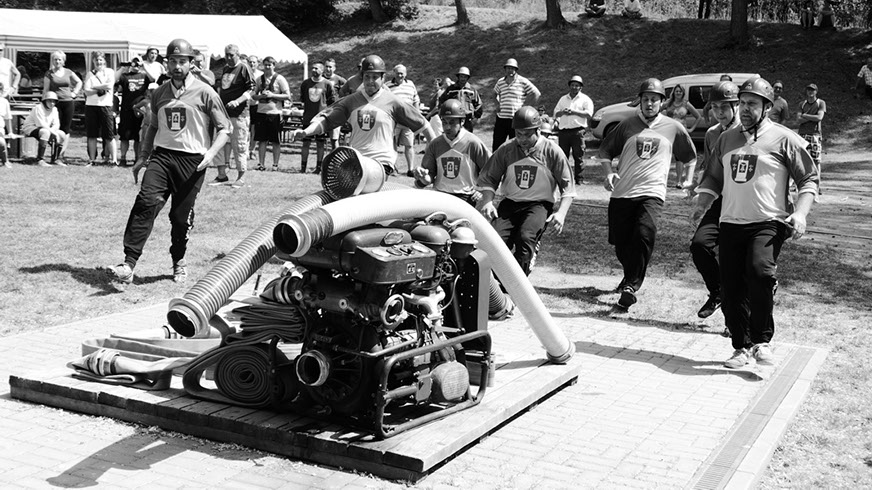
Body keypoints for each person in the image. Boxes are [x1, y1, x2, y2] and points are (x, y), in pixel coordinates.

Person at [690, 77, 818, 369]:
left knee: (759, 273)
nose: (745, 109)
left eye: (752, 103)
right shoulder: (726, 138)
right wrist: (701, 204)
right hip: (730, 222)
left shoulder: (785, 139)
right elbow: (713, 178)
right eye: (742, 103)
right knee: (731, 287)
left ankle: (762, 341)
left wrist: (800, 213)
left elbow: (809, 179)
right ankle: (741, 347)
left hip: (768, 222)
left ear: (767, 107)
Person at [108, 39, 230, 287]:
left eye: (182, 61)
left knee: (180, 217)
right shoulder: (159, 93)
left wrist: (210, 154)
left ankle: (179, 260)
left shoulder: (206, 92)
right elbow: (153, 126)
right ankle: (128, 264)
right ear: (166, 63)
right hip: (162, 157)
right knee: (145, 202)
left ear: (191, 63)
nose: (177, 66)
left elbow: (225, 129)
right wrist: (143, 157)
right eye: (172, 61)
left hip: (193, 161)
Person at [598, 78, 696, 310]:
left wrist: (688, 179)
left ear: (662, 102)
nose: (650, 103)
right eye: (646, 99)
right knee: (621, 243)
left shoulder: (673, 127)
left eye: (654, 99)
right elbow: (605, 151)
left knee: (644, 234)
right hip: (622, 192)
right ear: (640, 102)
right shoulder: (627, 125)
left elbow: (690, 157)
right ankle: (629, 275)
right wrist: (609, 173)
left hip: (652, 192)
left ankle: (631, 286)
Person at [292, 55, 435, 175]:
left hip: (382, 163)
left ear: (383, 78)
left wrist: (436, 152)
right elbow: (326, 120)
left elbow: (423, 124)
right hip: (357, 160)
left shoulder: (393, 102)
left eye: (375, 77)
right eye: (367, 77)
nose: (370, 81)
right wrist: (306, 132)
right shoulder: (351, 101)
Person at [477, 106, 576, 275]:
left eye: (527, 134)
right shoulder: (506, 149)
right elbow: (489, 178)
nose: (522, 139)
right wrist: (487, 201)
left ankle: (518, 284)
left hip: (538, 205)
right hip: (510, 203)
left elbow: (568, 188)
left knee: (525, 238)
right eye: (519, 134)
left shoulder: (552, 151)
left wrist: (561, 214)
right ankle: (497, 284)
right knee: (495, 241)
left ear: (538, 130)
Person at [689, 81, 741, 323]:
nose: (719, 112)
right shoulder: (712, 134)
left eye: (724, 107)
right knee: (700, 245)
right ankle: (718, 292)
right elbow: (711, 170)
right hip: (721, 200)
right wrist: (701, 200)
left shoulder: (747, 130)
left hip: (745, 202)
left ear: (736, 106)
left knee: (737, 259)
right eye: (715, 107)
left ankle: (737, 318)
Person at [414, 99, 491, 205]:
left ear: (462, 121)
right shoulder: (436, 144)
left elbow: (491, 171)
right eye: (444, 122)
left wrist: (481, 190)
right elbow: (427, 176)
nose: (447, 127)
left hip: (466, 197)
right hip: (441, 195)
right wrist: (423, 179)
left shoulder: (473, 143)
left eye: (452, 122)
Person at [212, 44, 256, 187]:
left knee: (239, 145)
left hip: (239, 114)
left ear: (238, 54)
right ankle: (221, 175)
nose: (229, 57)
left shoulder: (244, 68)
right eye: (227, 54)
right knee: (218, 143)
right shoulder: (226, 68)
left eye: (232, 55)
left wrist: (237, 101)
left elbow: (252, 89)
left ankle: (241, 177)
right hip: (224, 114)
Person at [492, 58, 541, 152]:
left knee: (516, 146)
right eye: (508, 68)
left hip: (516, 120)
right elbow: (494, 93)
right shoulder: (500, 81)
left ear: (516, 70)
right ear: (505, 69)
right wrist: (497, 104)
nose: (510, 70)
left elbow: (536, 93)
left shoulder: (523, 81)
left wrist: (527, 108)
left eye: (512, 68)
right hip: (501, 118)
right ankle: (496, 161)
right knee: (497, 145)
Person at [553, 75, 594, 185]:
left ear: (581, 87)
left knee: (578, 156)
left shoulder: (585, 99)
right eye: (572, 85)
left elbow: (589, 114)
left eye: (577, 85)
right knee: (562, 156)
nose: (574, 87)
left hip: (578, 131)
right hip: (564, 132)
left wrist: (574, 112)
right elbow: (556, 113)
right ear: (569, 86)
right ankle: (563, 178)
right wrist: (563, 112)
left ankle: (579, 179)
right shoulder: (563, 99)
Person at [43, 50, 82, 163]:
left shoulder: (68, 72)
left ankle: (61, 155)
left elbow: (79, 82)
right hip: (54, 103)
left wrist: (74, 93)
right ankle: (54, 154)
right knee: (55, 128)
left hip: (68, 102)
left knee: (65, 129)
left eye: (59, 59)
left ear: (63, 61)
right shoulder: (49, 73)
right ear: (52, 61)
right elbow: (45, 90)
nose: (57, 61)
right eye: (55, 59)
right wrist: (44, 103)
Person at [116, 57, 154, 166]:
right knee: (124, 136)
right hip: (126, 110)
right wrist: (123, 68)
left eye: (138, 63)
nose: (136, 65)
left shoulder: (144, 76)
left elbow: (153, 79)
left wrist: (144, 66)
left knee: (138, 138)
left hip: (140, 111)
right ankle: (123, 158)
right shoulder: (125, 76)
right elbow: (114, 80)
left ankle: (137, 158)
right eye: (134, 63)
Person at [662, 83, 701, 188]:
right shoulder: (668, 103)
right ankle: (662, 178)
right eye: (676, 91)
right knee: (665, 154)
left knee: (679, 157)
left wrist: (691, 129)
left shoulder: (686, 104)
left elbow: (698, 116)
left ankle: (678, 181)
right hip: (668, 132)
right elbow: (657, 111)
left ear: (683, 93)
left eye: (680, 91)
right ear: (673, 92)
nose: (678, 93)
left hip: (681, 133)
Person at [298, 61, 333, 174]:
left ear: (322, 71)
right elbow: (303, 98)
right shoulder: (306, 83)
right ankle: (303, 167)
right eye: (312, 68)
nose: (314, 70)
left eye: (316, 68)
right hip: (308, 118)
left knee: (320, 143)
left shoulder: (327, 84)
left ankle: (318, 167)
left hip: (320, 119)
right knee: (306, 143)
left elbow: (331, 101)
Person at [386, 64, 421, 176]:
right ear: (394, 73)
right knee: (392, 145)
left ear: (405, 74)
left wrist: (416, 115)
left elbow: (416, 100)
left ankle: (410, 169)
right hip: (394, 121)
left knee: (409, 145)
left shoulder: (410, 85)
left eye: (402, 73)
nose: (399, 75)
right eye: (397, 73)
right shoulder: (387, 85)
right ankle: (392, 167)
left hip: (408, 121)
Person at [83, 51, 117, 166]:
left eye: (100, 60)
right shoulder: (90, 74)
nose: (98, 62)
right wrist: (100, 90)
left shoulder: (110, 72)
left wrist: (94, 87)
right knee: (92, 134)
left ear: (104, 61)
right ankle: (92, 160)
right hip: (91, 106)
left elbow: (109, 85)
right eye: (96, 60)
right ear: (93, 61)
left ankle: (114, 160)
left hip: (106, 105)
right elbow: (86, 91)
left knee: (109, 134)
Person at [20, 91, 67, 167]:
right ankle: (40, 160)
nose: (52, 103)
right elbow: (40, 124)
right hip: (31, 128)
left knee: (62, 134)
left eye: (54, 101)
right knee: (45, 132)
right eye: (50, 101)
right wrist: (54, 134)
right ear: (45, 101)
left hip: (46, 128)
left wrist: (55, 133)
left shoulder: (55, 109)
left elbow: (56, 124)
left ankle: (55, 159)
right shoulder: (38, 108)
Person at [434, 67, 483, 133]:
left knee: (467, 138)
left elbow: (479, 105)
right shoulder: (450, 89)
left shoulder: (472, 90)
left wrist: (476, 117)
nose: (463, 78)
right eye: (461, 76)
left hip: (467, 120)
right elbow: (442, 101)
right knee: (453, 136)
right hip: (453, 119)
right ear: (458, 77)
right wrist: (443, 114)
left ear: (468, 78)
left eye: (465, 77)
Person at [797, 83, 826, 186]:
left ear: (816, 91)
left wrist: (805, 115)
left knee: (816, 160)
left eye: (813, 90)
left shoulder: (820, 103)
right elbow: (798, 119)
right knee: (802, 160)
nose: (810, 92)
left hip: (815, 134)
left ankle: (817, 184)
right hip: (802, 134)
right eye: (809, 90)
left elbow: (819, 117)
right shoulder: (802, 104)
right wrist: (812, 117)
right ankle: (802, 183)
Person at [323, 58, 346, 150]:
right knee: (320, 139)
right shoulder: (320, 79)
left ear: (334, 68)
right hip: (322, 110)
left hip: (334, 111)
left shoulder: (339, 80)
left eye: (330, 67)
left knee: (334, 139)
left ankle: (335, 154)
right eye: (326, 66)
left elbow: (347, 92)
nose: (328, 69)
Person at [246, 55, 263, 161]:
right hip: (246, 104)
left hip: (257, 104)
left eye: (254, 62)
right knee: (246, 128)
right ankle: (245, 151)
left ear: (258, 63)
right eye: (250, 62)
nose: (252, 64)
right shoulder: (244, 72)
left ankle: (252, 150)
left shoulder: (261, 75)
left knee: (254, 129)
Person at [0, 83, 12, 167]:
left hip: (0, 129)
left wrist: (10, 132)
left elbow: (8, 118)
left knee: (1, 142)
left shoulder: (4, 102)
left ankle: (5, 161)